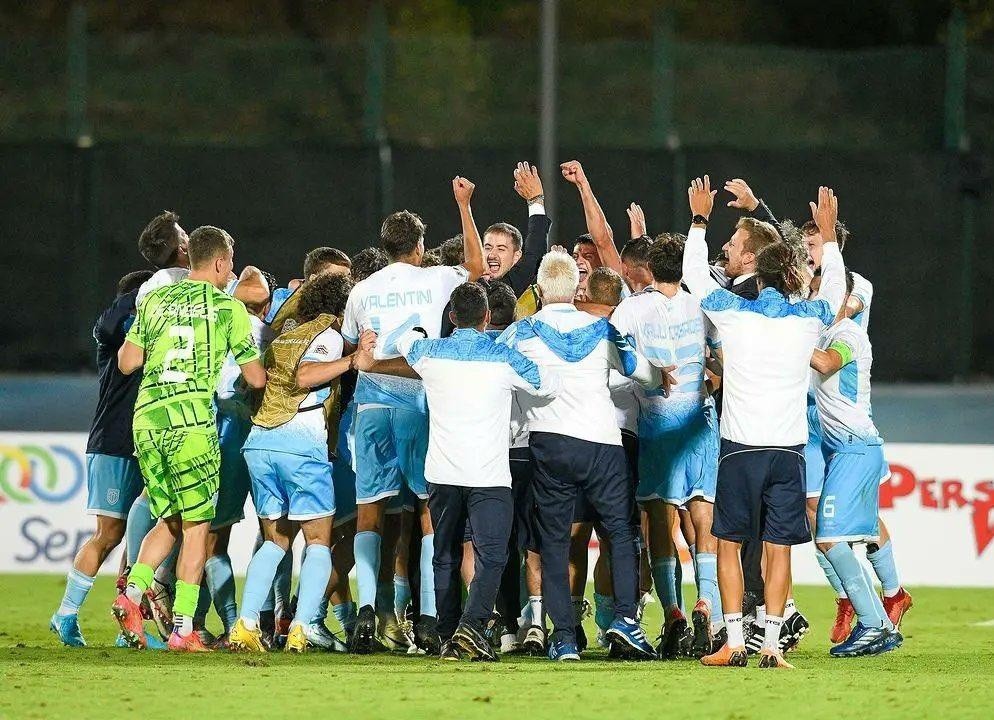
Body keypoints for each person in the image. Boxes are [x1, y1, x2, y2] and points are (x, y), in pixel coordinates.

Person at [682, 178, 845, 670]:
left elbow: (695, 273)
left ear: (758, 272)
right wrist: (830, 237)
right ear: (794, 275)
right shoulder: (807, 318)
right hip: (789, 451)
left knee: (729, 543)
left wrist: (699, 220)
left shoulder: (736, 314)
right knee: (779, 550)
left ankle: (733, 642)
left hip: (741, 448)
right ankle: (771, 645)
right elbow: (834, 289)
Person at [341, 176, 486, 654]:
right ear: (421, 247)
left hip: (371, 406)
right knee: (427, 510)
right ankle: (425, 619)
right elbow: (478, 267)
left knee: (370, 513)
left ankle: (366, 613)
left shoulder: (361, 290)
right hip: (419, 404)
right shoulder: (435, 278)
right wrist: (464, 207)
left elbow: (352, 344)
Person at [497, 249, 663, 662]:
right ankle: (625, 620)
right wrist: (661, 375)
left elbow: (490, 368)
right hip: (602, 443)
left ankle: (565, 637)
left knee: (553, 541)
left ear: (537, 289)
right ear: (577, 288)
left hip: (550, 444)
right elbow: (643, 372)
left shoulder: (521, 332)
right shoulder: (601, 330)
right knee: (621, 534)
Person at [112, 225, 266, 652]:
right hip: (191, 424)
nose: (230, 271)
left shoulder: (155, 299)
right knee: (198, 528)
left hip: (147, 421)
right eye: (229, 264)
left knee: (169, 519)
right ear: (219, 263)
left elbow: (127, 362)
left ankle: (132, 593)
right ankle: (183, 629)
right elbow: (254, 378)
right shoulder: (227, 307)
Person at [386, 283, 560, 660]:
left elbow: (403, 338)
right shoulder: (502, 358)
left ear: (451, 318)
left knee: (444, 554)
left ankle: (449, 636)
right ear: (486, 319)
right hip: (487, 475)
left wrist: (420, 330)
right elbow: (546, 384)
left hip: (443, 474)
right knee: (493, 555)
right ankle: (473, 626)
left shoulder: (429, 354)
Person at [229, 273, 369, 653]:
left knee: (276, 541)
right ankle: (304, 626)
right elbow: (306, 375)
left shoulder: (281, 337)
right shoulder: (326, 334)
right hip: (299, 444)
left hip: (260, 443)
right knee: (320, 539)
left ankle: (245, 623)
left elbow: (250, 386)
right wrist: (351, 359)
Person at [611, 234, 724, 660]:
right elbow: (718, 356)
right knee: (702, 510)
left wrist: (649, 372)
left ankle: (673, 610)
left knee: (660, 520)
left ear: (651, 270)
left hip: (657, 424)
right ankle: (707, 604)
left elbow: (617, 351)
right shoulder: (701, 305)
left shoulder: (633, 308)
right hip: (700, 420)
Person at [50, 269, 154, 648]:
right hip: (113, 442)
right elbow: (111, 323)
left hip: (148, 442)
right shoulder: (114, 332)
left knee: (138, 538)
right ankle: (65, 614)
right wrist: (139, 295)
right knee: (108, 534)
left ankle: (130, 627)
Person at [808, 271, 903, 657]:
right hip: (843, 448)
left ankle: (875, 621)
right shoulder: (824, 331)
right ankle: (877, 620)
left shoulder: (846, 335)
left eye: (819, 290)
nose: (814, 298)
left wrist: (788, 338)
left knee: (828, 538)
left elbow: (828, 364)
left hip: (855, 447)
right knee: (837, 537)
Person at [267, 247, 352, 334]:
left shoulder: (346, 303)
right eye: (337, 279)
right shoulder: (280, 302)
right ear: (314, 279)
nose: (346, 283)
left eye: (348, 277)